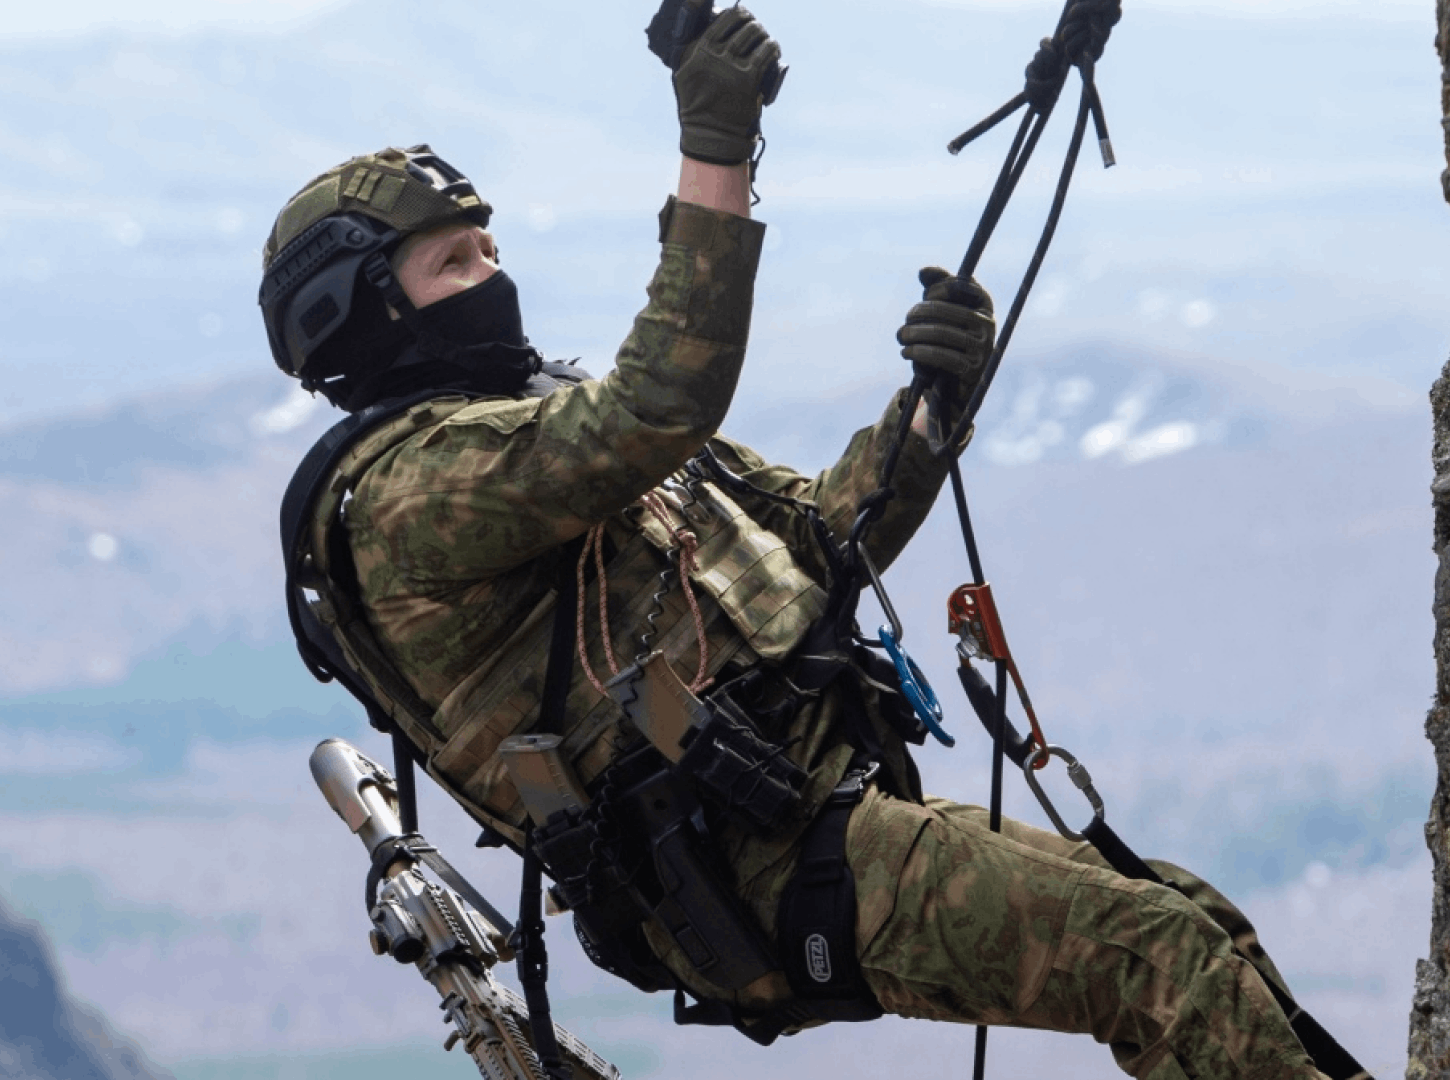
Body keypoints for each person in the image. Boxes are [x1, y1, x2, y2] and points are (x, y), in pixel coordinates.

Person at [259, 10, 1344, 1079]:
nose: (493, 280)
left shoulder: (541, 429)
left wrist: (929, 412)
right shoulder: (407, 494)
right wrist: (715, 152)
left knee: (1194, 919)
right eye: (454, 264)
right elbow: (665, 397)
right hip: (755, 868)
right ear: (366, 319)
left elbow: (823, 538)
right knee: (1156, 959)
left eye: (492, 251)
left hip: (817, 809)